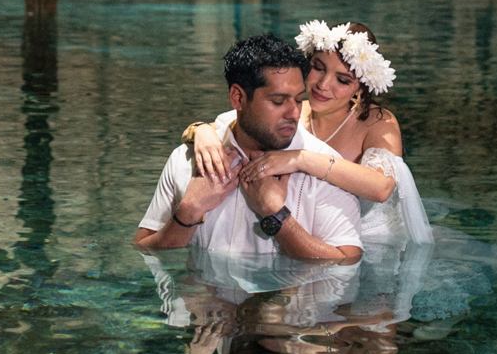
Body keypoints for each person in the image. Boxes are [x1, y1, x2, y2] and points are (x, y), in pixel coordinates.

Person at [186, 20, 433, 245]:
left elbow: (381, 188)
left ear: (359, 88)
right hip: (296, 232)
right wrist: (201, 132)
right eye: (318, 67)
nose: (323, 85)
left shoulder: (377, 121)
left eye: (342, 80)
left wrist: (299, 159)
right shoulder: (292, 111)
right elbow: (235, 122)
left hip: (368, 243)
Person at [134, 34, 364, 263]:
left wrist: (276, 215)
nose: (294, 113)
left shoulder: (323, 170)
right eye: (278, 101)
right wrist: (189, 210)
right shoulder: (187, 159)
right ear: (238, 98)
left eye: (297, 99)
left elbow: (347, 261)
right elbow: (144, 248)